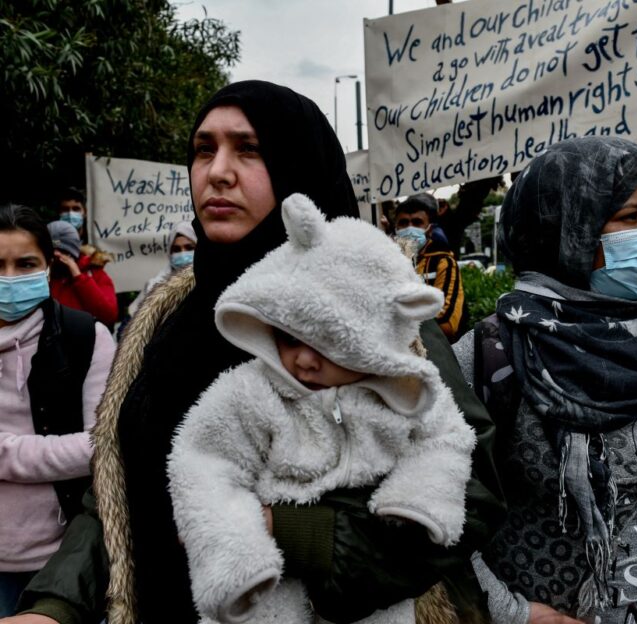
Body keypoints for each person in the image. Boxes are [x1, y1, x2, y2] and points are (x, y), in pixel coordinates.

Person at [4, 80, 503, 624]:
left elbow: (469, 489)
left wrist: (285, 529)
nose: (217, 171)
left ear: (299, 167)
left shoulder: (371, 311)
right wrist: (55, 606)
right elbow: (119, 485)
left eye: (249, 149)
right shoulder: (164, 320)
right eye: (203, 149)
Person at [455, 137, 637, 624]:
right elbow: (436, 514)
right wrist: (514, 613)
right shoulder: (492, 354)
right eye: (632, 217)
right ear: (566, 226)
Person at [168, 193, 476, 623]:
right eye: (291, 338)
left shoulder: (410, 393)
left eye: (333, 345)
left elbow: (448, 438)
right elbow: (202, 461)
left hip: (375, 601)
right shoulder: (252, 392)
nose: (305, 360)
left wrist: (418, 498)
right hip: (270, 586)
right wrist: (234, 548)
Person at [0, 204, 115, 617]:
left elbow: (99, 446)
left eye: (25, 263)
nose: (9, 278)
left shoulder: (87, 338)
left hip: (63, 563)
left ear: (49, 266)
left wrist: (4, 452)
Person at [395, 194, 466, 342]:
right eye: (403, 222)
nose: (409, 228)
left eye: (417, 222)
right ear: (396, 228)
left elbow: (447, 324)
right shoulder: (385, 262)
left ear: (428, 229)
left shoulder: (443, 262)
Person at [46, 221, 118, 328]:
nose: (57, 255)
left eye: (62, 251)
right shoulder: (44, 275)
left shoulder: (95, 274)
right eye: (52, 251)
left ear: (73, 252)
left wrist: (79, 277)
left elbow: (109, 315)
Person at [126, 220, 197, 317]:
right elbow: (132, 322)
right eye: (176, 249)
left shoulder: (213, 282)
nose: (182, 253)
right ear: (170, 253)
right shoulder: (154, 286)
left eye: (189, 248)